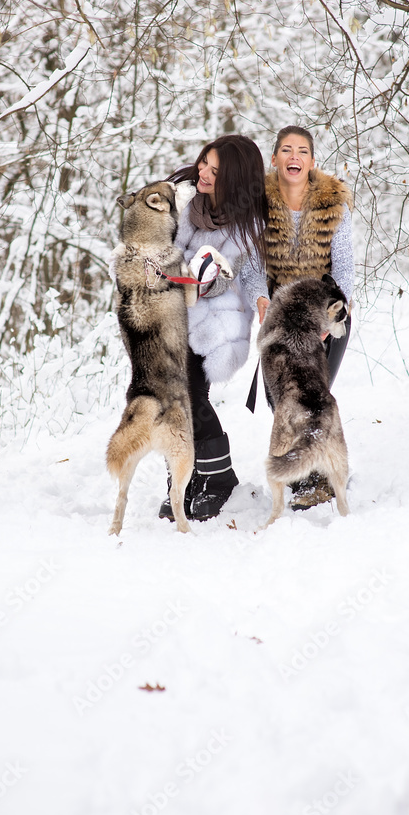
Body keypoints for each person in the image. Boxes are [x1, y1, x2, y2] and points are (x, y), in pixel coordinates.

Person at [158, 134, 269, 523]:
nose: (203, 172)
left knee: (191, 396)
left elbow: (226, 277)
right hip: (174, 312)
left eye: (215, 170)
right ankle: (183, 481)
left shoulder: (247, 223)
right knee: (172, 399)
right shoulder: (187, 201)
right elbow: (159, 242)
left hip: (217, 318)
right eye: (204, 162)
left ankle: (218, 478)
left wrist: (194, 272)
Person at [262, 124, 354, 509]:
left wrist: (331, 320)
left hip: (325, 314)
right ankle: (302, 469)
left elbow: (345, 267)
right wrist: (258, 299)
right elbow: (252, 262)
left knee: (314, 397)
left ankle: (318, 481)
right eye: (286, 150)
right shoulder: (260, 202)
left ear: (312, 161)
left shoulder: (333, 202)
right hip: (282, 318)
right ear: (275, 158)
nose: (294, 157)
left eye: (302, 151)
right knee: (280, 399)